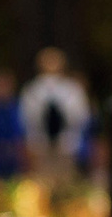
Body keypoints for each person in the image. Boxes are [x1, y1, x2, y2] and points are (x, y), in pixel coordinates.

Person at [19, 48, 91, 186]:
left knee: (65, 186)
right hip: (40, 147)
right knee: (42, 186)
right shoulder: (33, 90)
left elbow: (81, 117)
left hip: (66, 146)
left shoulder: (72, 89)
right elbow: (26, 119)